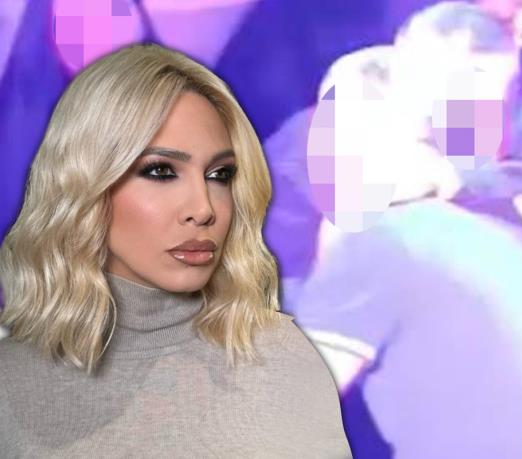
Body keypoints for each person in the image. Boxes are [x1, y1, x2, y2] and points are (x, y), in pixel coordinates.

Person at [0, 43, 351, 457]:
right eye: (161, 171)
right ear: (86, 185)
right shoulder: (10, 382)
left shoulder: (279, 359)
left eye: (220, 175)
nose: (203, 209)